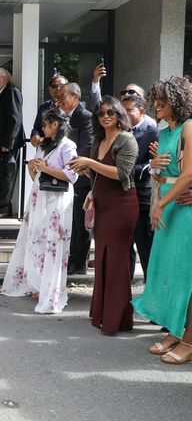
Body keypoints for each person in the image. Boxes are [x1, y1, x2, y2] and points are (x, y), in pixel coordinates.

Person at [132, 77, 192, 365]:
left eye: (162, 100)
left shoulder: (188, 127)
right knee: (167, 271)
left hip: (182, 210)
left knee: (184, 275)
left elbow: (189, 174)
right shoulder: (165, 131)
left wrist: (161, 205)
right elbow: (165, 172)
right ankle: (176, 333)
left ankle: (189, 341)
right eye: (155, 98)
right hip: (168, 205)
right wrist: (155, 169)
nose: (156, 103)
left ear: (177, 101)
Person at [70, 96, 138, 335]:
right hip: (102, 205)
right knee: (102, 260)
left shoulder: (126, 139)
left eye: (110, 112)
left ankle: (116, 320)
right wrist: (85, 168)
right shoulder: (98, 140)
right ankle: (102, 315)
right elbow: (98, 174)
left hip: (121, 207)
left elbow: (122, 173)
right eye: (100, 113)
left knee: (117, 262)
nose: (105, 116)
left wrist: (90, 162)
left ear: (119, 113)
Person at [0, 108, 78, 313]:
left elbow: (72, 176)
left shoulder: (68, 146)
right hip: (40, 195)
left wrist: (44, 168)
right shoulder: (44, 144)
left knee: (53, 241)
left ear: (56, 125)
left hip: (58, 199)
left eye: (45, 124)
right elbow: (36, 174)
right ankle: (36, 282)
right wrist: (33, 168)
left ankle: (50, 289)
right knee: (36, 238)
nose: (42, 128)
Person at [55, 83, 94, 276]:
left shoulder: (86, 117)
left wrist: (69, 166)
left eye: (63, 96)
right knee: (68, 221)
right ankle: (70, 258)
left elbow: (86, 147)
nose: (59, 99)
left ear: (76, 97)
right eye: (58, 96)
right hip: (64, 177)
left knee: (81, 223)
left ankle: (80, 262)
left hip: (81, 177)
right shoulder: (60, 117)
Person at [121, 93, 159, 280]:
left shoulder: (152, 132)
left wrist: (121, 171)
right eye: (123, 110)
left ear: (142, 111)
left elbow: (153, 166)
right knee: (124, 247)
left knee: (145, 247)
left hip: (141, 197)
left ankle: (150, 287)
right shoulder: (119, 131)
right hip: (120, 197)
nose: (124, 114)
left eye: (129, 110)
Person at [0, 68, 26, 218]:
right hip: (1, 144)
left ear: (4, 79)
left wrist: (8, 142)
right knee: (2, 175)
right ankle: (4, 206)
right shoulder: (2, 93)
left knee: (6, 175)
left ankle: (3, 208)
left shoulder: (11, 92)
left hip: (7, 145)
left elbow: (15, 119)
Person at [30, 74, 68, 148]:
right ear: (50, 89)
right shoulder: (44, 106)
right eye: (54, 86)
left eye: (61, 86)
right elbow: (37, 128)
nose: (58, 88)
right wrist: (35, 135)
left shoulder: (70, 106)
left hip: (63, 149)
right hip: (45, 149)